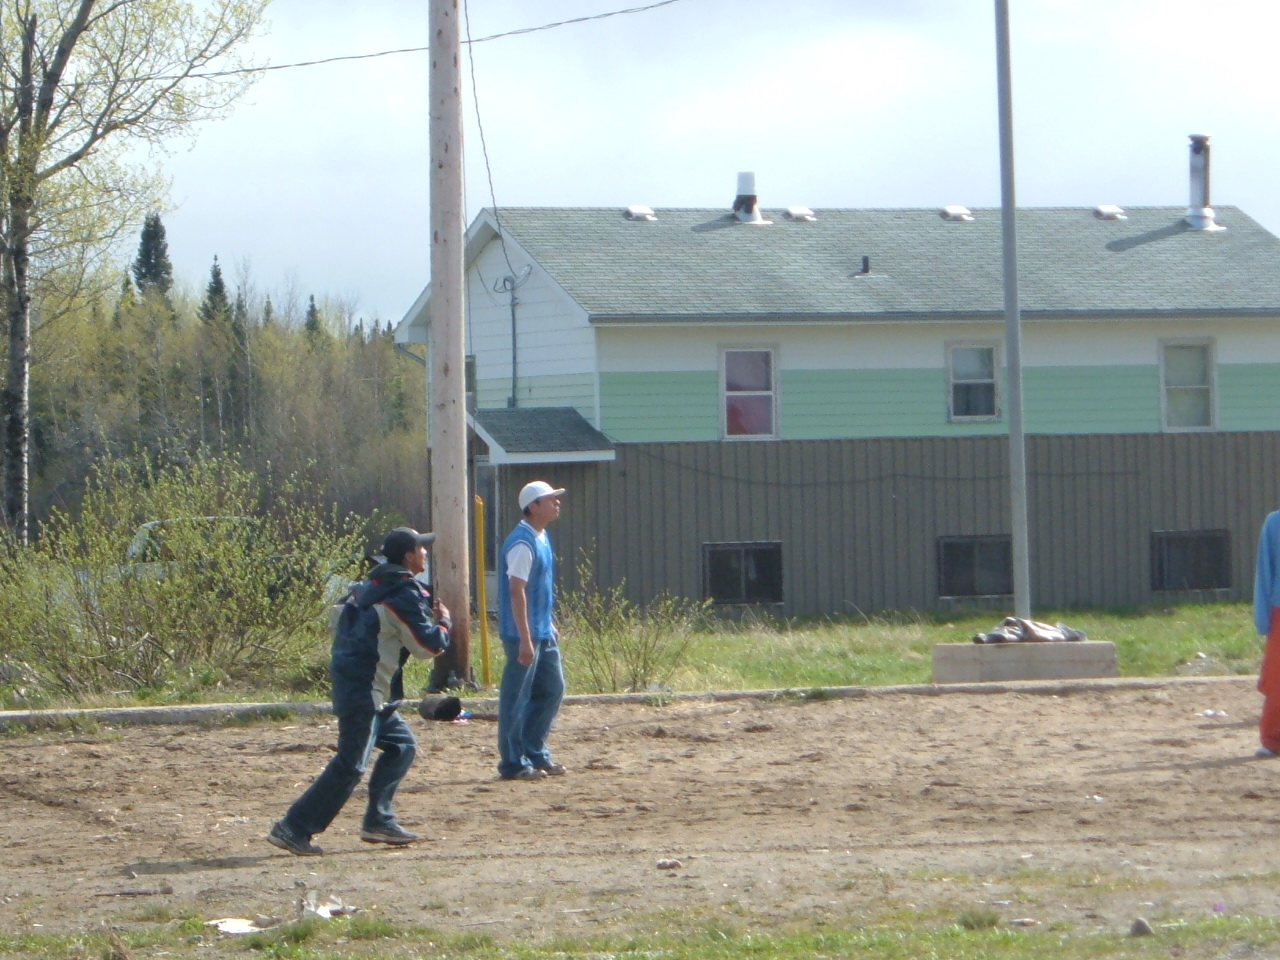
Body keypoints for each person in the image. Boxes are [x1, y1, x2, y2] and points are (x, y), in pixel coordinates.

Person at [268, 527, 451, 855]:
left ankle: (378, 821)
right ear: (409, 556)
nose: (425, 552)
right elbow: (428, 646)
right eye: (421, 548)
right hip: (366, 690)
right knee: (351, 764)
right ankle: (293, 827)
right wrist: (444, 624)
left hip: (361, 685)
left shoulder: (369, 585)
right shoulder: (402, 591)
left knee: (401, 746)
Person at [496, 480, 567, 781]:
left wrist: (547, 623)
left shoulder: (541, 536)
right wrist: (525, 639)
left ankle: (534, 751)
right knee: (517, 697)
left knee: (552, 689)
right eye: (550, 499)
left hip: (540, 631)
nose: (556, 503)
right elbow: (517, 591)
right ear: (533, 507)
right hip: (522, 634)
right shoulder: (523, 543)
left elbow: (540, 589)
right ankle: (513, 762)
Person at [1254, 510, 1280, 758]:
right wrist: (1263, 618)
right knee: (1276, 677)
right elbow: (1265, 570)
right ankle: (1272, 738)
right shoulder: (1274, 523)